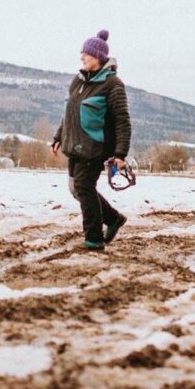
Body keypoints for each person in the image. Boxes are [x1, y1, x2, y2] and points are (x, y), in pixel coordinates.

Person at [52, 30, 132, 250]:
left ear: (98, 56)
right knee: (76, 189)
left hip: (95, 148)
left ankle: (94, 239)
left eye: (85, 54)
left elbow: (122, 120)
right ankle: (113, 219)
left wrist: (120, 154)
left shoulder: (113, 84)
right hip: (74, 145)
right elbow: (68, 114)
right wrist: (58, 136)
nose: (82, 57)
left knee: (84, 188)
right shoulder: (77, 81)